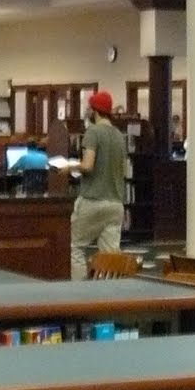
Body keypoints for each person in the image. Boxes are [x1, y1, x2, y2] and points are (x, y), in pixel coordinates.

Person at [68, 90, 128, 280]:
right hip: (116, 203)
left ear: (94, 110)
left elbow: (87, 165)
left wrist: (68, 167)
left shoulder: (92, 132)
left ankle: (78, 296)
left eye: (88, 108)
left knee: (76, 247)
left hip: (92, 200)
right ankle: (109, 297)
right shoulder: (119, 135)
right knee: (110, 255)